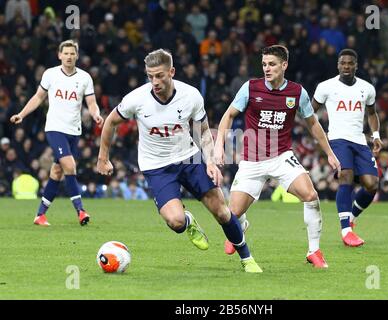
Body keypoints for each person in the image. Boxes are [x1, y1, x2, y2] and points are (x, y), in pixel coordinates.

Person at [97, 49, 262, 273]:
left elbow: (203, 131)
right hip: (156, 166)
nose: (154, 81)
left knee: (222, 212)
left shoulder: (191, 96)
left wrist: (211, 161)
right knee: (175, 222)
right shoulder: (136, 99)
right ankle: (188, 221)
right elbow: (110, 122)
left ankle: (247, 258)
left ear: (172, 72)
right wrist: (103, 158)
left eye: (159, 75)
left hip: (189, 158)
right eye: (150, 76)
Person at [214, 45, 341, 268]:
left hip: (281, 157)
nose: (267, 68)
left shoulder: (296, 92)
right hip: (252, 161)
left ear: (284, 65)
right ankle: (240, 225)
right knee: (231, 215)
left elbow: (312, 123)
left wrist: (329, 152)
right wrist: (218, 146)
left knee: (310, 195)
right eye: (264, 64)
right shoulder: (250, 88)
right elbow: (228, 115)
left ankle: (314, 251)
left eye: (272, 64)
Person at [10, 40, 104, 226]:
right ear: (59, 55)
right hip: (54, 128)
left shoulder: (85, 78)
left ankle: (40, 215)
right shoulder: (50, 74)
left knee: (57, 170)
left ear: (77, 56)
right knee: (70, 166)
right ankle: (81, 211)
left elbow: (91, 102)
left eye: (72, 54)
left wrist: (95, 114)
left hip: (74, 130)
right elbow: (38, 97)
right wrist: (22, 114)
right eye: (66, 53)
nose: (69, 57)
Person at [312, 48, 383, 247]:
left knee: (372, 184)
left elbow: (372, 113)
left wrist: (376, 135)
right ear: (338, 65)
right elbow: (310, 111)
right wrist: (319, 135)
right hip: (337, 139)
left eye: (350, 63)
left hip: (359, 141)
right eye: (343, 63)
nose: (346, 66)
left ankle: (351, 217)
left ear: (356, 66)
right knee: (347, 176)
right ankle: (346, 230)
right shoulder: (326, 87)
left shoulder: (367, 88)